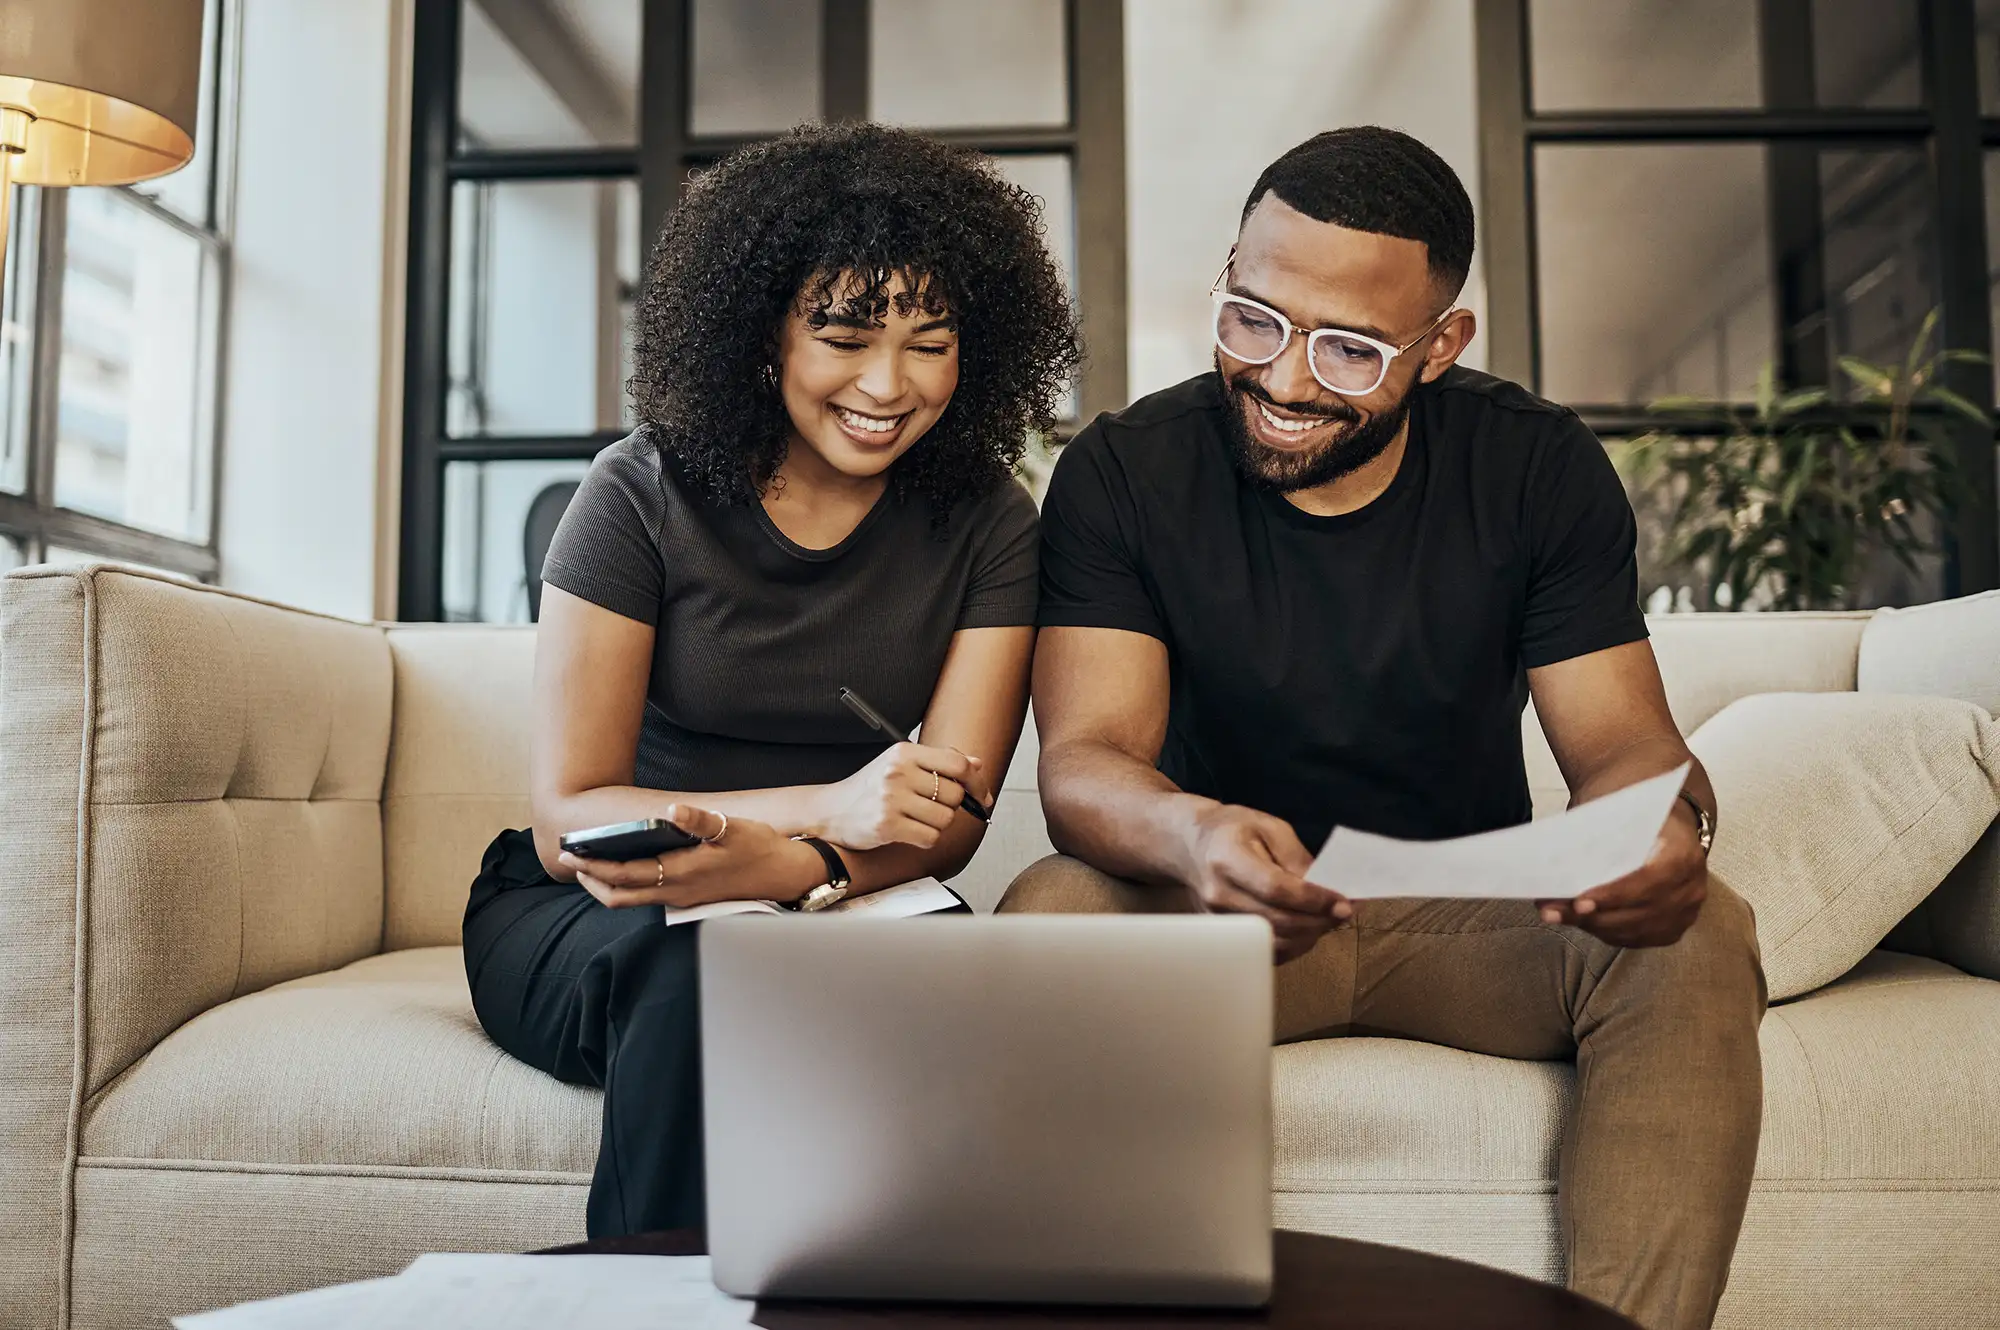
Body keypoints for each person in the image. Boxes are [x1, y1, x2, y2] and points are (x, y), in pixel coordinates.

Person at [1003, 127, 1763, 1330]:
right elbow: (1087, 761)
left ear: (1440, 343)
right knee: (1050, 907)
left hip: (1467, 919)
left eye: (1350, 351)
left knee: (1697, 930)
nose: (1287, 381)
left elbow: (1622, 744)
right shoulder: (1125, 472)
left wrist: (1664, 826)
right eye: (1251, 320)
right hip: (1218, 913)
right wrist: (1192, 834)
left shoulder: (1535, 467)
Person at [464, 122, 1079, 1240]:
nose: (887, 385)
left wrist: (798, 867)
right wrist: (822, 811)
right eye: (843, 335)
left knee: (965, 1007)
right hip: (608, 904)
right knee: (717, 972)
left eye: (929, 342)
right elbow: (571, 818)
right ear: (762, 336)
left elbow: (946, 822)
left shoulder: (989, 519)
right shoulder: (637, 494)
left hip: (857, 892)